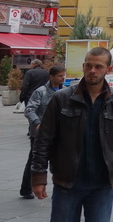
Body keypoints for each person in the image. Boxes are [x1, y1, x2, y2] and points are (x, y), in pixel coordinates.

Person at [31, 47, 113, 221]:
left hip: (102, 184)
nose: (93, 71)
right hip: (67, 182)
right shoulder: (62, 99)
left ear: (108, 70)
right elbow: (44, 140)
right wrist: (38, 177)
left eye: (99, 67)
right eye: (89, 65)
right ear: (83, 66)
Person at [20, 65, 66, 199]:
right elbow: (29, 109)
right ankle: (26, 188)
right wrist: (37, 123)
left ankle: (61, 186)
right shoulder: (41, 91)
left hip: (59, 132)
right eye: (60, 76)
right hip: (40, 134)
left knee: (61, 160)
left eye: (64, 75)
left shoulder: (66, 92)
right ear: (51, 77)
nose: (63, 78)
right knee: (35, 161)